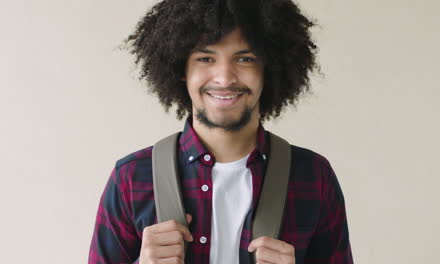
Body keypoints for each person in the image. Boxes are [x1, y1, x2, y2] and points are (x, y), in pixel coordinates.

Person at [88, 0, 353, 263]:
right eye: (205, 58)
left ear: (268, 68)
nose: (224, 78)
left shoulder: (313, 176)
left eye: (245, 58)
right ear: (181, 68)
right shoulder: (131, 178)